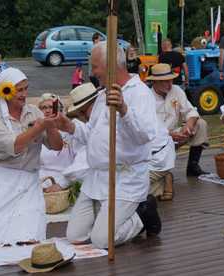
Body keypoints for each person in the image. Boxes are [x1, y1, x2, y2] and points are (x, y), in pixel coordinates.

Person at [57, 42, 161, 249]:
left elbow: (145, 136)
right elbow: (91, 134)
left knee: (101, 240)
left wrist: (123, 109)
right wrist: (69, 126)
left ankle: (143, 214)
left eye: (95, 66)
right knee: (75, 236)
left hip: (125, 179)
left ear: (111, 66)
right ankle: (107, 216)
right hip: (96, 178)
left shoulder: (140, 93)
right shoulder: (103, 94)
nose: (92, 72)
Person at [0, 68, 65, 247]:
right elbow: (14, 146)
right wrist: (40, 126)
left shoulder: (34, 112)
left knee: (28, 236)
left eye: (26, 89)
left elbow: (57, 146)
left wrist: (51, 126)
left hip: (28, 179)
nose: (24, 94)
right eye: (20, 90)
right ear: (6, 90)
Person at [147, 63, 209, 177]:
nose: (170, 84)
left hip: (175, 135)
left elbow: (191, 111)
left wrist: (188, 126)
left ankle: (193, 166)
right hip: (155, 142)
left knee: (200, 124)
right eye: (165, 81)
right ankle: (159, 171)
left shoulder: (176, 90)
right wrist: (169, 134)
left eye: (171, 80)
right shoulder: (146, 97)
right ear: (155, 82)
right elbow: (147, 129)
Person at [38, 93, 80, 192]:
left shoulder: (70, 132)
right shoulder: (37, 132)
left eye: (51, 107)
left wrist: (62, 184)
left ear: (59, 110)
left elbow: (79, 162)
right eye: (44, 108)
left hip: (66, 181)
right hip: (41, 183)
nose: (47, 110)